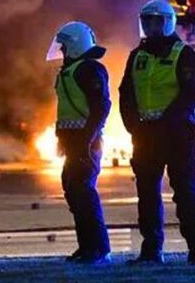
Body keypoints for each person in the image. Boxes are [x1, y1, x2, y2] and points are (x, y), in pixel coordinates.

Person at [119, 0, 195, 265]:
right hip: (145, 134)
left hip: (177, 134)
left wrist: (167, 120)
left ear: (168, 22)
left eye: (156, 21)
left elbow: (192, 93)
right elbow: (126, 93)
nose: (151, 26)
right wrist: (132, 124)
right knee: (147, 194)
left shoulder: (183, 54)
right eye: (147, 21)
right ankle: (151, 250)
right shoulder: (137, 55)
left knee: (186, 193)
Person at [46, 21, 112, 264]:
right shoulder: (73, 70)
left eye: (64, 48)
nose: (61, 52)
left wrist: (87, 139)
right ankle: (86, 247)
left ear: (75, 47)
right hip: (74, 143)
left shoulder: (89, 70)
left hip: (86, 143)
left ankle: (98, 249)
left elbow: (101, 107)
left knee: (83, 193)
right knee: (74, 192)